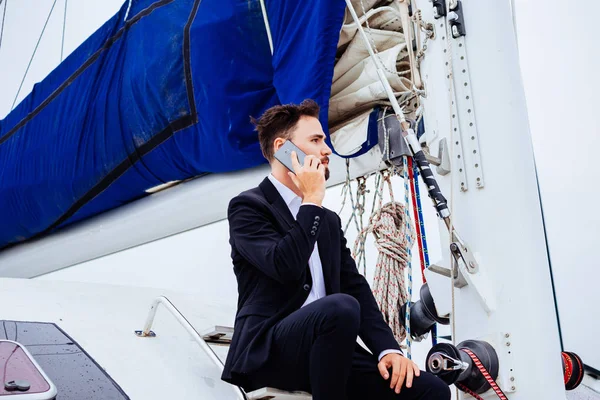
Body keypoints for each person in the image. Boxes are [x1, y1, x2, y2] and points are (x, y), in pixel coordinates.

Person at [221, 99, 450, 400]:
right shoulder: (248, 207)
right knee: (339, 308)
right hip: (270, 352)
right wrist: (312, 199)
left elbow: (354, 286)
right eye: (315, 140)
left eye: (324, 140)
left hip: (329, 351)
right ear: (282, 148)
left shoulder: (326, 221)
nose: (327, 149)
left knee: (430, 391)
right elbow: (284, 265)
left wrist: (387, 349)